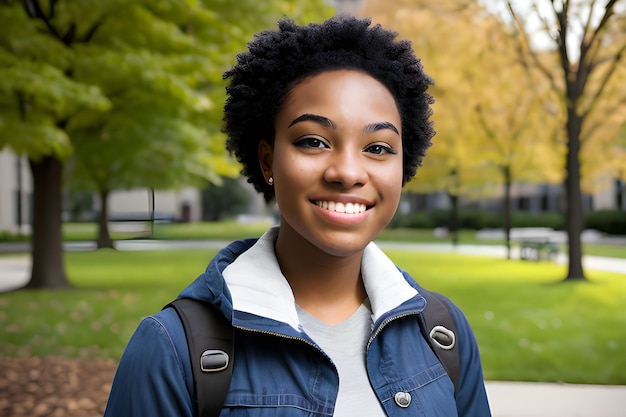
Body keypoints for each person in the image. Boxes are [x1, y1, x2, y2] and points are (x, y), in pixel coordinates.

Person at [103, 15, 491, 417]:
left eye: (377, 148)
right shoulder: (172, 349)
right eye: (313, 141)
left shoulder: (444, 336)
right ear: (268, 160)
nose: (347, 172)